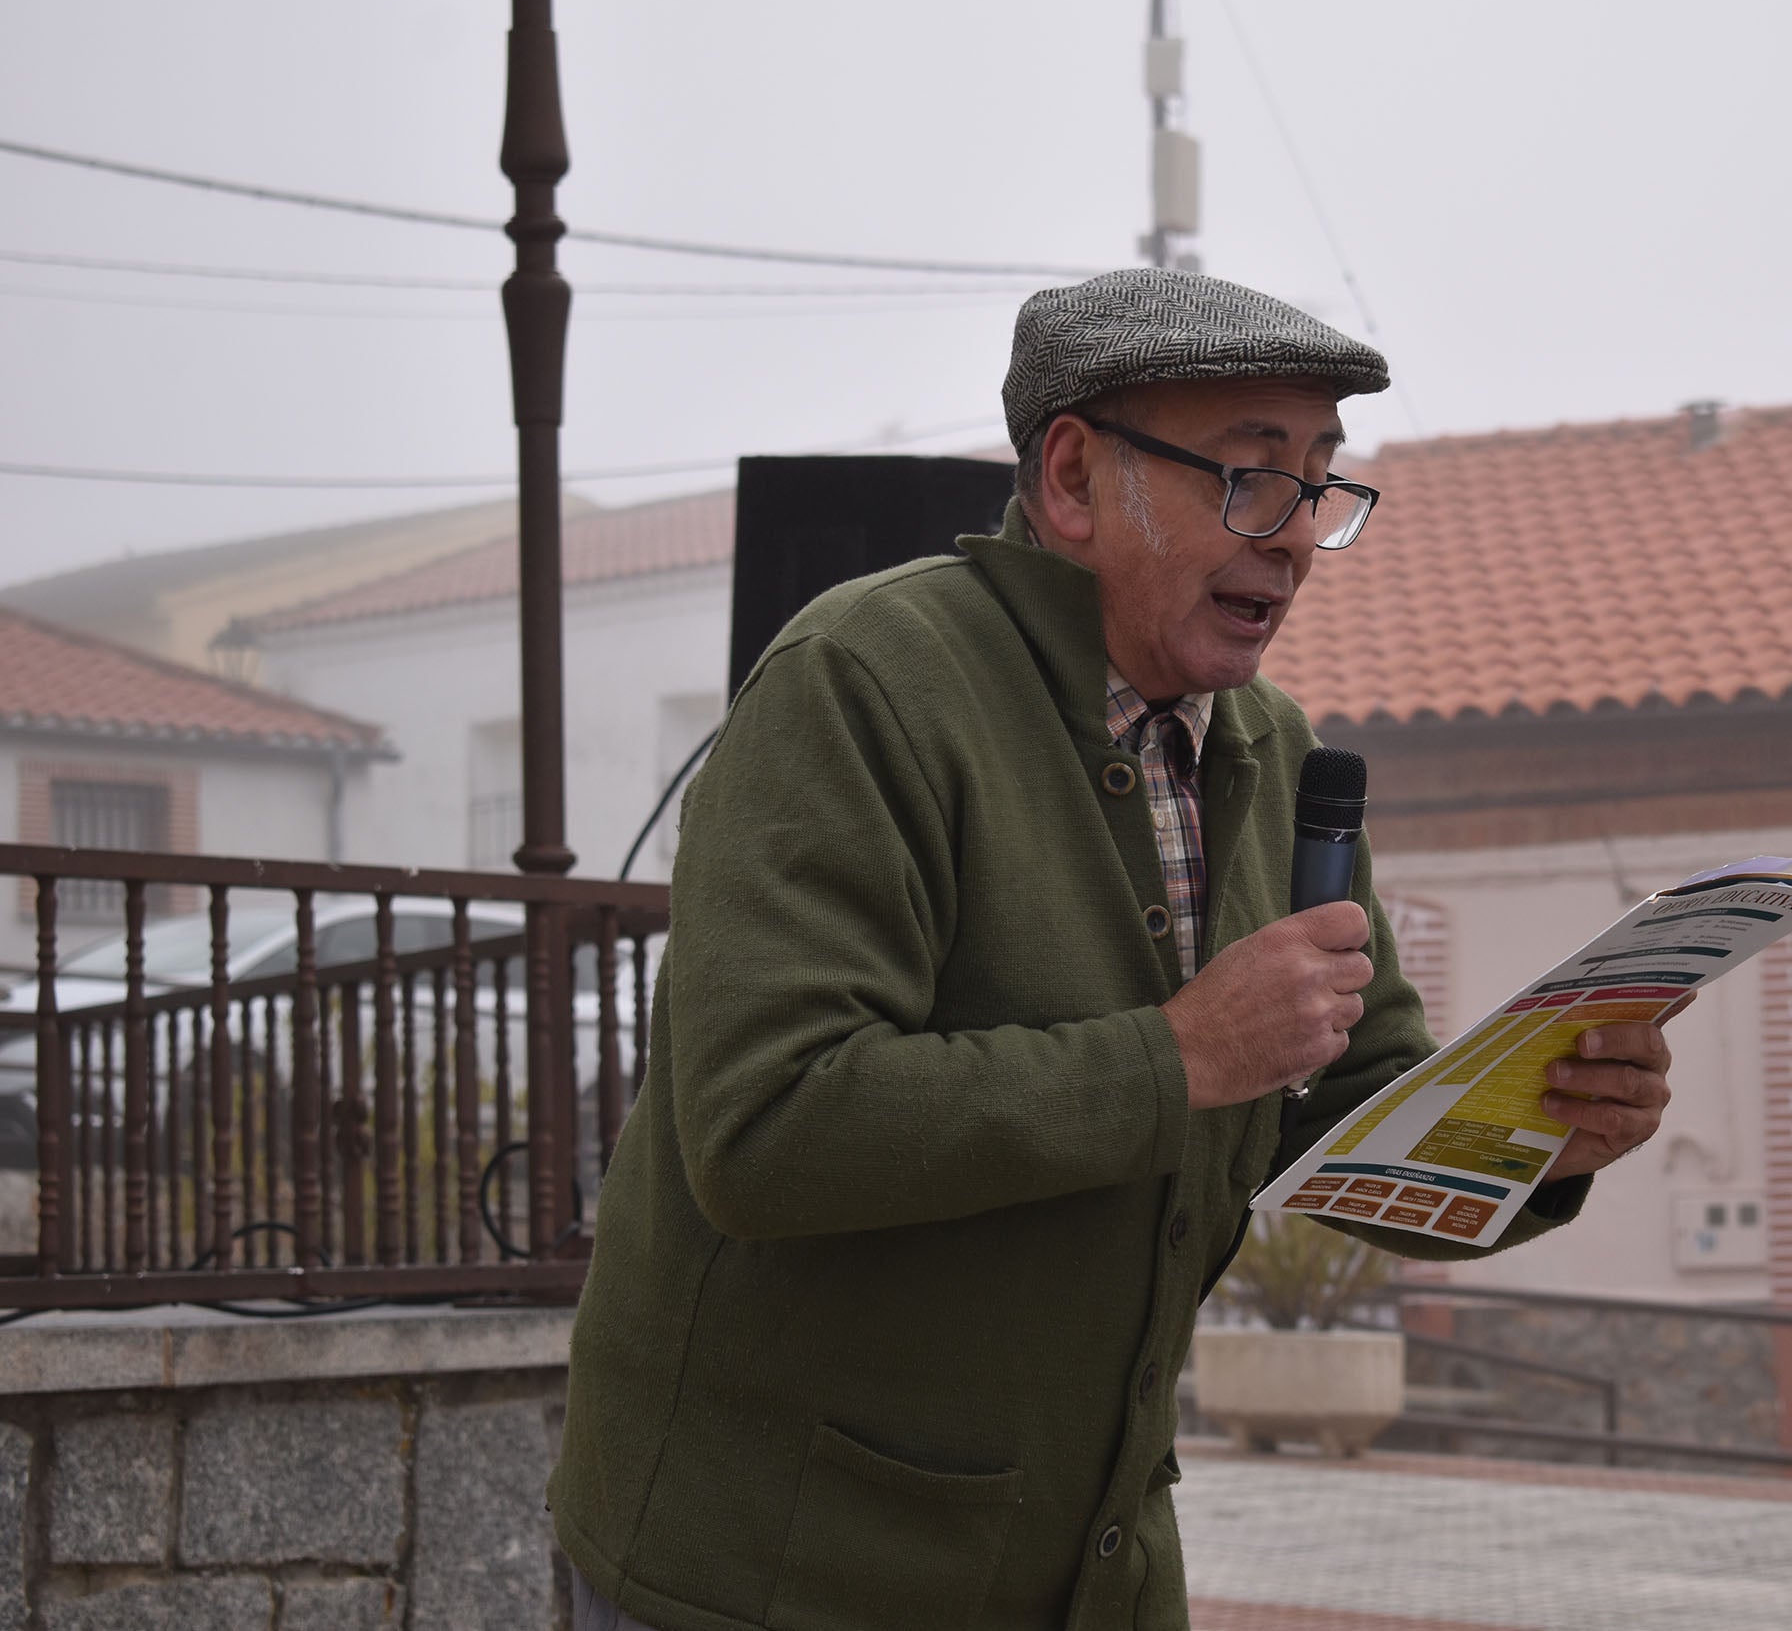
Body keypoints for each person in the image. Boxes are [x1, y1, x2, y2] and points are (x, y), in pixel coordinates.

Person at [549, 269, 1683, 1631]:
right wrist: (1180, 1055)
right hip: (774, 1578)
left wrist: (1537, 1132)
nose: (1293, 538)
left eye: (1321, 487)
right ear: (1076, 478)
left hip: (1091, 1572)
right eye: (1253, 478)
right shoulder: (859, 683)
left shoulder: (1273, 749)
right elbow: (768, 1127)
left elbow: (1342, 1122)